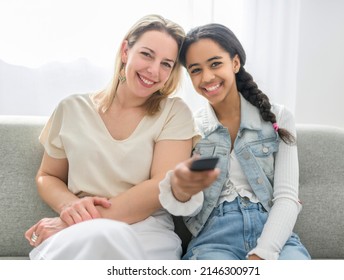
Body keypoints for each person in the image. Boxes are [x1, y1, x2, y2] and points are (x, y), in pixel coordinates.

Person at [24, 14, 199, 260]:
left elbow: (162, 185)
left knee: (104, 241)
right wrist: (69, 208)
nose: (153, 70)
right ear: (125, 50)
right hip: (80, 227)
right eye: (147, 54)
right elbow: (48, 175)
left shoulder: (174, 113)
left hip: (146, 232)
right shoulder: (72, 108)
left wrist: (80, 222)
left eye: (166, 64)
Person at [159, 23, 311, 260]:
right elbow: (185, 207)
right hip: (213, 240)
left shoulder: (279, 117)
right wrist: (180, 190)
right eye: (196, 70)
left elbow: (287, 197)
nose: (207, 77)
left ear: (236, 63)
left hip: (274, 236)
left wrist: (263, 253)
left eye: (215, 63)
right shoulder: (190, 127)